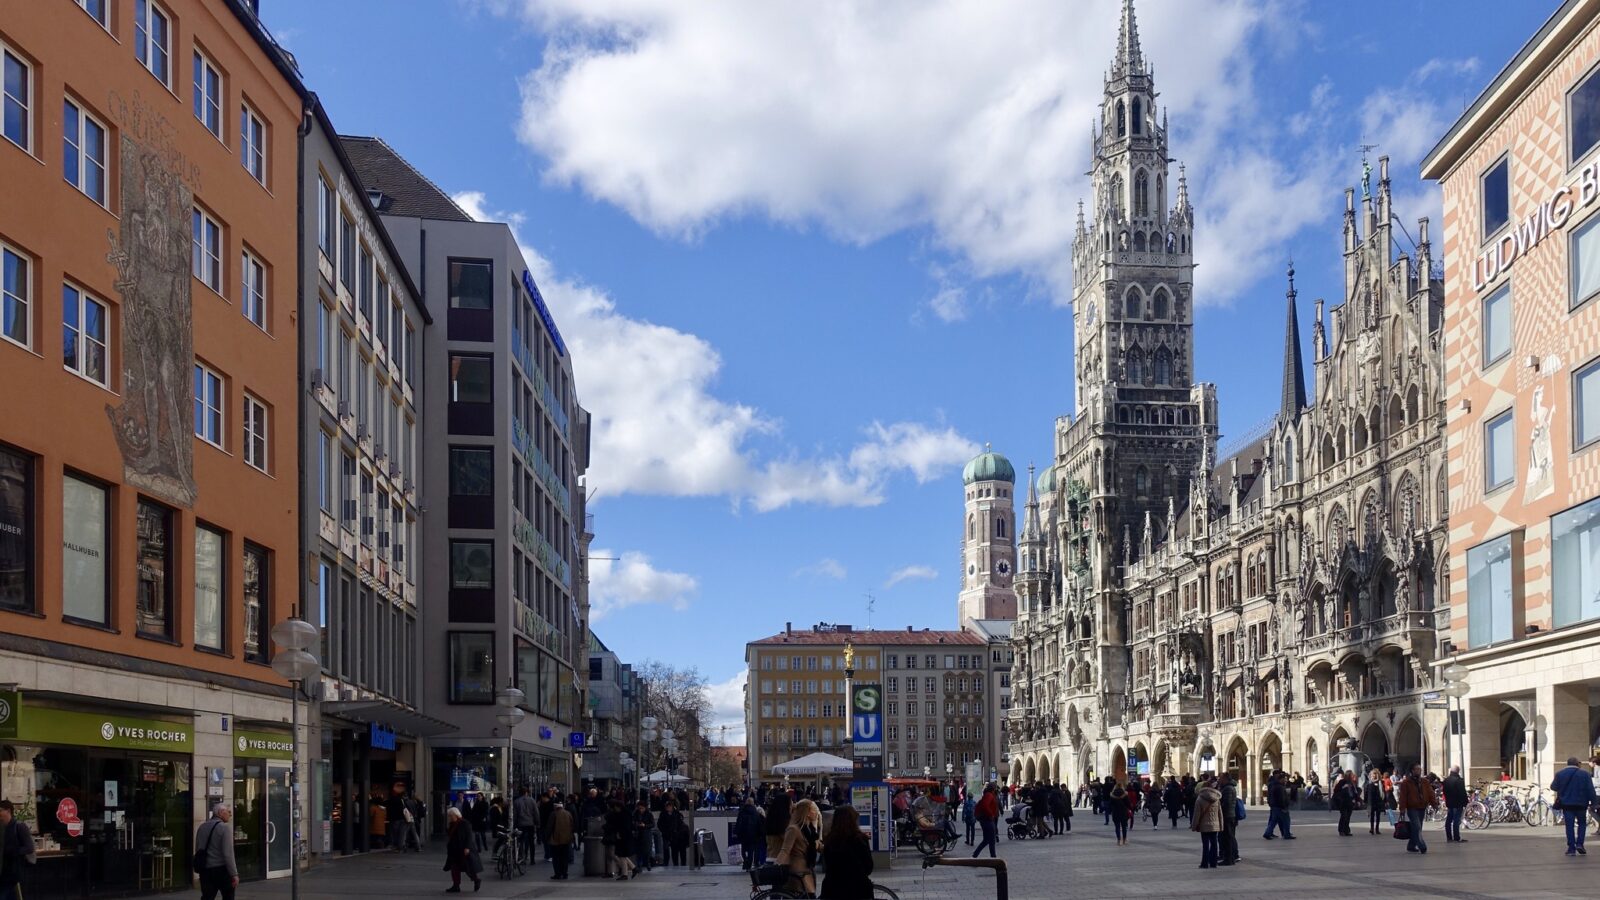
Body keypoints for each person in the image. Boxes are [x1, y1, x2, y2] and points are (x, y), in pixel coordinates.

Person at [819, 805, 874, 899]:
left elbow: (828, 864)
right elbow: (868, 866)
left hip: (833, 888)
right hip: (858, 887)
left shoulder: (830, 840)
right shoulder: (860, 839)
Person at [1552, 755, 1598, 856]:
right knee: (1582, 824)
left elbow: (1553, 787)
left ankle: (1571, 848)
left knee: (1569, 826)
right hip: (1581, 804)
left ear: (1567, 764)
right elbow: (1591, 790)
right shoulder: (1585, 774)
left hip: (1567, 804)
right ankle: (1580, 844)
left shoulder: (1560, 774)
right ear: (1578, 764)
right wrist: (1594, 803)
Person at [777, 798, 822, 898]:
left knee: (810, 896)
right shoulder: (793, 829)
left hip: (807, 869)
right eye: (814, 809)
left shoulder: (810, 830)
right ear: (807, 812)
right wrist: (777, 865)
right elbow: (785, 850)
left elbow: (818, 846)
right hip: (797, 871)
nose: (817, 812)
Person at [193, 803, 239, 900]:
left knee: (207, 897)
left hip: (205, 870)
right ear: (221, 813)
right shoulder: (225, 828)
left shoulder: (202, 827)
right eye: (228, 812)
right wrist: (234, 874)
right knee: (228, 896)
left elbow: (198, 849)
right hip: (221, 870)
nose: (230, 814)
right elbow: (228, 854)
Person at [443, 807, 482, 893]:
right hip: (454, 850)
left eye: (450, 815)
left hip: (463, 849)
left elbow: (469, 836)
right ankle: (456, 885)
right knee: (454, 867)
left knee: (467, 867)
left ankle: (476, 880)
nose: (450, 817)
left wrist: (467, 847)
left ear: (455, 815)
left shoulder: (464, 823)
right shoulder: (452, 824)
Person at [1, 800, 34, 900]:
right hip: (3, 872)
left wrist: (14, 851)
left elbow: (29, 848)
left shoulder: (19, 826)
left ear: (8, 811)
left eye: (0, 810)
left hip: (14, 872)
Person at [1397, 764, 1435, 854]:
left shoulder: (1425, 782)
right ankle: (1422, 846)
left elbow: (1430, 793)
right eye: (1417, 769)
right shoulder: (1406, 783)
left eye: (1419, 769)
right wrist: (1402, 809)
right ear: (1412, 771)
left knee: (1417, 827)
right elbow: (1403, 797)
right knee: (1417, 827)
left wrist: (1434, 804)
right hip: (1412, 808)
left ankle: (1411, 845)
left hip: (1422, 807)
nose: (1419, 771)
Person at [1192, 779, 1223, 869]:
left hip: (1204, 825)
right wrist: (1221, 825)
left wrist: (1194, 826)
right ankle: (1214, 863)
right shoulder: (1217, 798)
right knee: (1214, 844)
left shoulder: (1200, 799)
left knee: (1205, 845)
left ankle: (1204, 863)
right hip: (1215, 825)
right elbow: (1220, 813)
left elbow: (1196, 814)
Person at [603, 800, 636, 880]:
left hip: (623, 837)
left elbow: (624, 826)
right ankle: (632, 869)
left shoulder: (623, 814)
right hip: (622, 836)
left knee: (621, 855)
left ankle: (626, 873)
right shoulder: (623, 814)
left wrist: (619, 833)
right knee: (622, 855)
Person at [1262, 770, 1295, 840]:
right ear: (1281, 779)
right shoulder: (1279, 787)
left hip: (1274, 805)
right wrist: (1284, 806)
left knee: (1274, 820)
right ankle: (1286, 834)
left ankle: (1267, 833)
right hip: (1279, 806)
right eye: (1284, 779)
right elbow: (1281, 798)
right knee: (1286, 820)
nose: (1285, 780)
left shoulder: (1273, 784)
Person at [546, 800, 574, 880]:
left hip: (556, 839)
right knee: (564, 857)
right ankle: (565, 873)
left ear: (555, 807)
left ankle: (558, 874)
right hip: (566, 839)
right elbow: (572, 825)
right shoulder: (568, 813)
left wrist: (547, 837)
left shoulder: (553, 814)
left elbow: (549, 827)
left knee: (556, 857)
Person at [736, 796, 766, 869]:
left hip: (743, 835)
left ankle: (745, 862)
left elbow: (738, 823)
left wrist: (738, 833)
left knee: (743, 849)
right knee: (751, 850)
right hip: (753, 835)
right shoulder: (756, 813)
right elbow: (759, 825)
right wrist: (760, 834)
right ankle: (750, 864)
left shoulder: (742, 812)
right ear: (753, 803)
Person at [1442, 765, 1469, 844]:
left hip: (1449, 803)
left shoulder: (1446, 780)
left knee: (1449, 820)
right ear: (1458, 771)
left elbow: (1444, 791)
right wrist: (1465, 802)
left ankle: (1449, 837)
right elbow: (1462, 792)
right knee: (1456, 821)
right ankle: (1456, 837)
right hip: (1458, 803)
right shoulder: (1459, 780)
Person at [972, 784, 1000, 858]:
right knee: (992, 840)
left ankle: (975, 854)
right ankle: (993, 857)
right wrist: (991, 814)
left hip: (985, 819)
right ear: (993, 789)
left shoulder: (987, 795)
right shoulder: (989, 795)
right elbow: (985, 805)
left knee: (986, 840)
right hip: (987, 819)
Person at [1217, 773, 1239, 865]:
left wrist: (1218, 808)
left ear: (1225, 779)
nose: (1219, 780)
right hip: (1230, 816)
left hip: (1227, 816)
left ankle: (1229, 859)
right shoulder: (1228, 788)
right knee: (1228, 837)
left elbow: (1226, 803)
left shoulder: (1227, 789)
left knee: (1227, 838)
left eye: (1220, 778)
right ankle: (1230, 856)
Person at [512, 787, 539, 863]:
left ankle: (522, 857)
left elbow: (515, 815)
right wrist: (537, 823)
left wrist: (514, 825)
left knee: (520, 841)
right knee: (531, 842)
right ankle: (532, 859)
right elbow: (536, 813)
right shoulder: (532, 800)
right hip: (530, 824)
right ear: (527, 792)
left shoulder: (516, 801)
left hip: (520, 824)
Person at [659, 800, 689, 867]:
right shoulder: (663, 814)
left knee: (681, 851)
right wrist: (665, 831)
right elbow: (660, 824)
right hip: (668, 835)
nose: (668, 808)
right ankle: (672, 864)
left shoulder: (677, 814)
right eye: (667, 807)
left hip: (678, 836)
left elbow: (680, 824)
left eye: (670, 807)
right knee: (672, 851)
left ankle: (682, 864)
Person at [765, 792, 792, 861]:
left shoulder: (771, 819)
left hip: (770, 857)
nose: (792, 805)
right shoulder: (783, 822)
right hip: (780, 859)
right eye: (790, 803)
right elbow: (788, 839)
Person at [1332, 770, 1359, 836]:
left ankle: (1346, 830)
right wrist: (1343, 788)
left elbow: (1355, 793)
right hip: (1343, 801)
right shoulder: (1342, 782)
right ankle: (1341, 830)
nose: (1353, 776)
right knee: (1343, 816)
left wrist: (1357, 800)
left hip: (1350, 802)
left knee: (1348, 817)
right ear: (1348, 775)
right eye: (1351, 775)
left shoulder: (1352, 783)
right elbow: (1336, 790)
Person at [1108, 781, 1130, 846]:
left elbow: (1110, 804)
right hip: (1123, 812)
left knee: (1117, 827)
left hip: (1115, 812)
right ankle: (1124, 840)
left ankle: (1118, 840)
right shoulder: (1125, 794)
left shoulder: (1112, 794)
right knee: (1124, 827)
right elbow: (1128, 804)